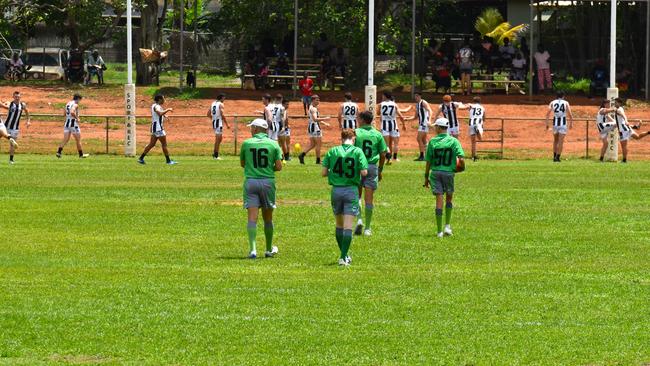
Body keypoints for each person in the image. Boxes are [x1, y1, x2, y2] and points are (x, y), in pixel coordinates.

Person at [322, 128, 368, 266]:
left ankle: (345, 255)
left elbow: (324, 173)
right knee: (348, 226)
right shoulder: (357, 151)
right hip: (351, 190)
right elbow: (364, 172)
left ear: (341, 138)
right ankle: (343, 257)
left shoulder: (332, 151)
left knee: (339, 224)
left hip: (336, 191)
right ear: (353, 138)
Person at [240, 118, 283, 259]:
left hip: (251, 182)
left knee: (252, 218)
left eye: (252, 128)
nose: (250, 130)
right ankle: (269, 249)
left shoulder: (246, 143)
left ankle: (252, 250)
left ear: (257, 129)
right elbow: (278, 166)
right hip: (267, 183)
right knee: (268, 218)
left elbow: (243, 163)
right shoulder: (274, 144)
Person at [424, 117, 465, 238]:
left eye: (436, 126)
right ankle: (447, 225)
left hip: (435, 173)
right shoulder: (453, 141)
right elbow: (461, 158)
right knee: (449, 198)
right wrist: (461, 167)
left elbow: (428, 162)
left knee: (439, 200)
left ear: (439, 127)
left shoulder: (432, 141)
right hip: (448, 173)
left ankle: (439, 231)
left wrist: (426, 177)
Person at [353, 111, 387, 236]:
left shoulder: (355, 133)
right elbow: (383, 153)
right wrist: (380, 169)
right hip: (372, 167)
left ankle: (359, 219)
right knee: (369, 199)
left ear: (362, 120)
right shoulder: (378, 134)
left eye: (358, 118)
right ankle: (367, 228)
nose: (357, 120)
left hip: (357, 167)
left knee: (357, 196)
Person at [138, 94, 177, 165]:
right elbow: (159, 113)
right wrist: (168, 109)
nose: (164, 100)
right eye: (163, 99)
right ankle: (168, 161)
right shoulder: (157, 106)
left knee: (151, 144)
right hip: (158, 128)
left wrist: (164, 115)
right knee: (164, 145)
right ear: (159, 100)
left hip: (155, 128)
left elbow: (159, 114)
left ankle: (141, 158)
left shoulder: (154, 105)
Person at [612, 98, 650, 163]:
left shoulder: (618, 110)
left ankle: (624, 160)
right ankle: (648, 132)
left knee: (624, 146)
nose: (615, 104)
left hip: (623, 130)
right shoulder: (621, 108)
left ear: (619, 103)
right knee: (638, 137)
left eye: (616, 102)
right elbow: (622, 120)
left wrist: (626, 121)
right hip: (627, 128)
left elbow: (623, 115)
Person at [299, 94, 330, 164]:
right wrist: (326, 118)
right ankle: (318, 160)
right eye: (317, 100)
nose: (318, 101)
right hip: (315, 128)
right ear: (313, 100)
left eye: (319, 100)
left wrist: (324, 123)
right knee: (318, 144)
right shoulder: (313, 108)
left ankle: (302, 155)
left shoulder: (311, 107)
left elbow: (314, 119)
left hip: (311, 127)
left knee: (312, 144)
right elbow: (315, 119)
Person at [0, 91, 30, 164]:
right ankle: (11, 159)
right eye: (15, 96)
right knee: (10, 141)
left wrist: (28, 120)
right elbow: (4, 105)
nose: (17, 98)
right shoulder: (10, 104)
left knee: (12, 145)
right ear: (13, 97)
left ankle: (11, 160)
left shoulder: (22, 105)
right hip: (6, 126)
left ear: (20, 97)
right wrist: (3, 104)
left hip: (15, 128)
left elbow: (27, 111)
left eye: (18, 96)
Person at [56, 94, 89, 159]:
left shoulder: (68, 103)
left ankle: (59, 152)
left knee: (65, 140)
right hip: (73, 124)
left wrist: (69, 118)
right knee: (78, 140)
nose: (80, 101)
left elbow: (64, 114)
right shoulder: (75, 104)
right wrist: (77, 118)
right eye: (80, 100)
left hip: (67, 124)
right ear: (78, 99)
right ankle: (81, 155)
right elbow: (72, 112)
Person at [545, 91, 573, 162]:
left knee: (555, 140)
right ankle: (557, 157)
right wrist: (571, 123)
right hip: (562, 123)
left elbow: (547, 114)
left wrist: (547, 124)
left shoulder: (552, 102)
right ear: (563, 96)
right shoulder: (566, 102)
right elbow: (570, 114)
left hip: (555, 123)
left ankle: (554, 156)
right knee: (561, 141)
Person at [378, 91, 406, 164]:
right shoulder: (394, 104)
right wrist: (403, 125)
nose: (382, 97)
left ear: (385, 96)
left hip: (384, 125)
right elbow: (401, 116)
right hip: (393, 125)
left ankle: (388, 158)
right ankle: (395, 158)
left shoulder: (381, 104)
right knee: (396, 143)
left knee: (386, 144)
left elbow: (378, 113)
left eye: (382, 96)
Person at [403, 92, 432, 161]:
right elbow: (415, 117)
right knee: (424, 141)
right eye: (415, 96)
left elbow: (430, 111)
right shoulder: (417, 105)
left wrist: (429, 120)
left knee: (419, 139)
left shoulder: (423, 102)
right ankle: (428, 156)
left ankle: (422, 156)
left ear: (420, 96)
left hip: (424, 123)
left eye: (416, 96)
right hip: (421, 124)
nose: (415, 97)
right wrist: (407, 119)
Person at [207, 93, 230, 160]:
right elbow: (222, 115)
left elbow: (208, 114)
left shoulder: (213, 103)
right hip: (218, 122)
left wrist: (213, 119)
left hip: (215, 122)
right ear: (222, 98)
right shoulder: (221, 104)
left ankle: (215, 154)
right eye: (224, 98)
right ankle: (215, 155)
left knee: (219, 139)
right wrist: (227, 124)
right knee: (218, 139)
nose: (224, 100)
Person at [466, 96, 486, 162]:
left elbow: (468, 109)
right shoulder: (482, 108)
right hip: (478, 123)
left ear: (473, 101)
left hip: (471, 123)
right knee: (480, 138)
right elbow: (484, 118)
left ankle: (473, 157)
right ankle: (478, 131)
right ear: (480, 101)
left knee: (473, 142)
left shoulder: (471, 106)